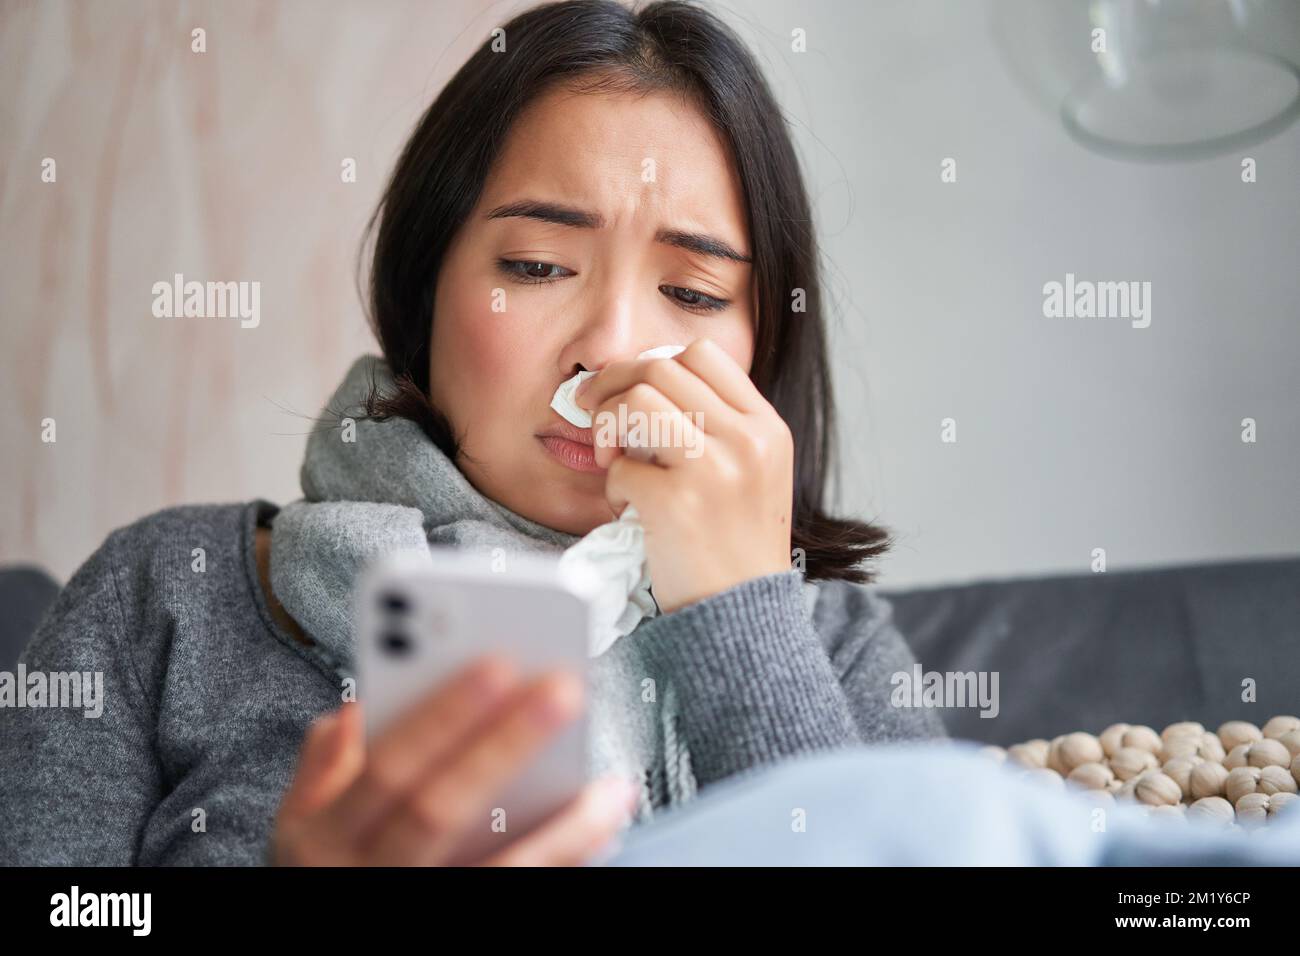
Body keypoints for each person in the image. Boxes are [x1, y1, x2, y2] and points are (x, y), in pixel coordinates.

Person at [0, 0, 946, 867]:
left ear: (761, 347)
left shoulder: (839, 650)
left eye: (693, 294)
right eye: (536, 266)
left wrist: (740, 615)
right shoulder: (164, 595)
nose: (607, 350)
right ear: (427, 289)